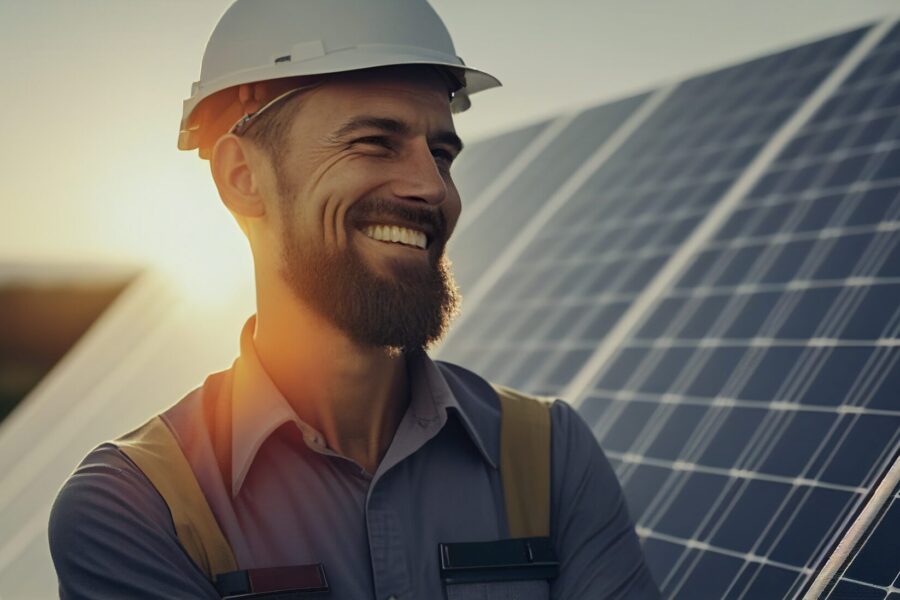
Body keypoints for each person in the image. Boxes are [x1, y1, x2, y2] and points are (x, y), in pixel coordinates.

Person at [49, 1, 659, 598]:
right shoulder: (137, 504)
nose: (431, 188)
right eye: (373, 142)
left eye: (442, 155)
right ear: (243, 178)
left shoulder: (549, 453)